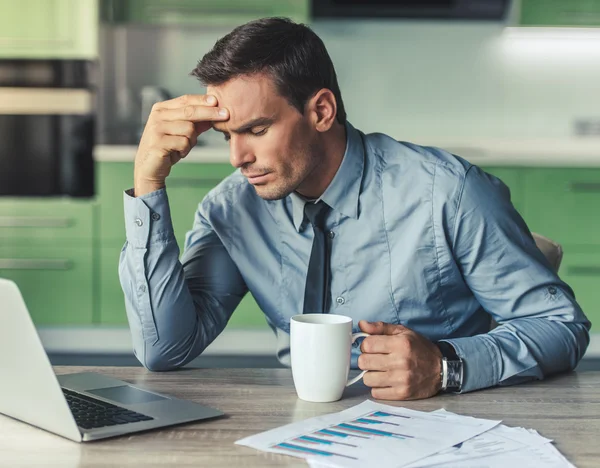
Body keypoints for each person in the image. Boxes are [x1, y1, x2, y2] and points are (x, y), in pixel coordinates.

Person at [119, 17, 590, 400]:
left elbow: (560, 328)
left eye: (257, 130)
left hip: (444, 427)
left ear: (321, 111)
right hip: (299, 431)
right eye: (227, 136)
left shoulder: (447, 192)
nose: (237, 158)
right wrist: (147, 183)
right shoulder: (231, 209)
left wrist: (445, 366)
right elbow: (165, 349)